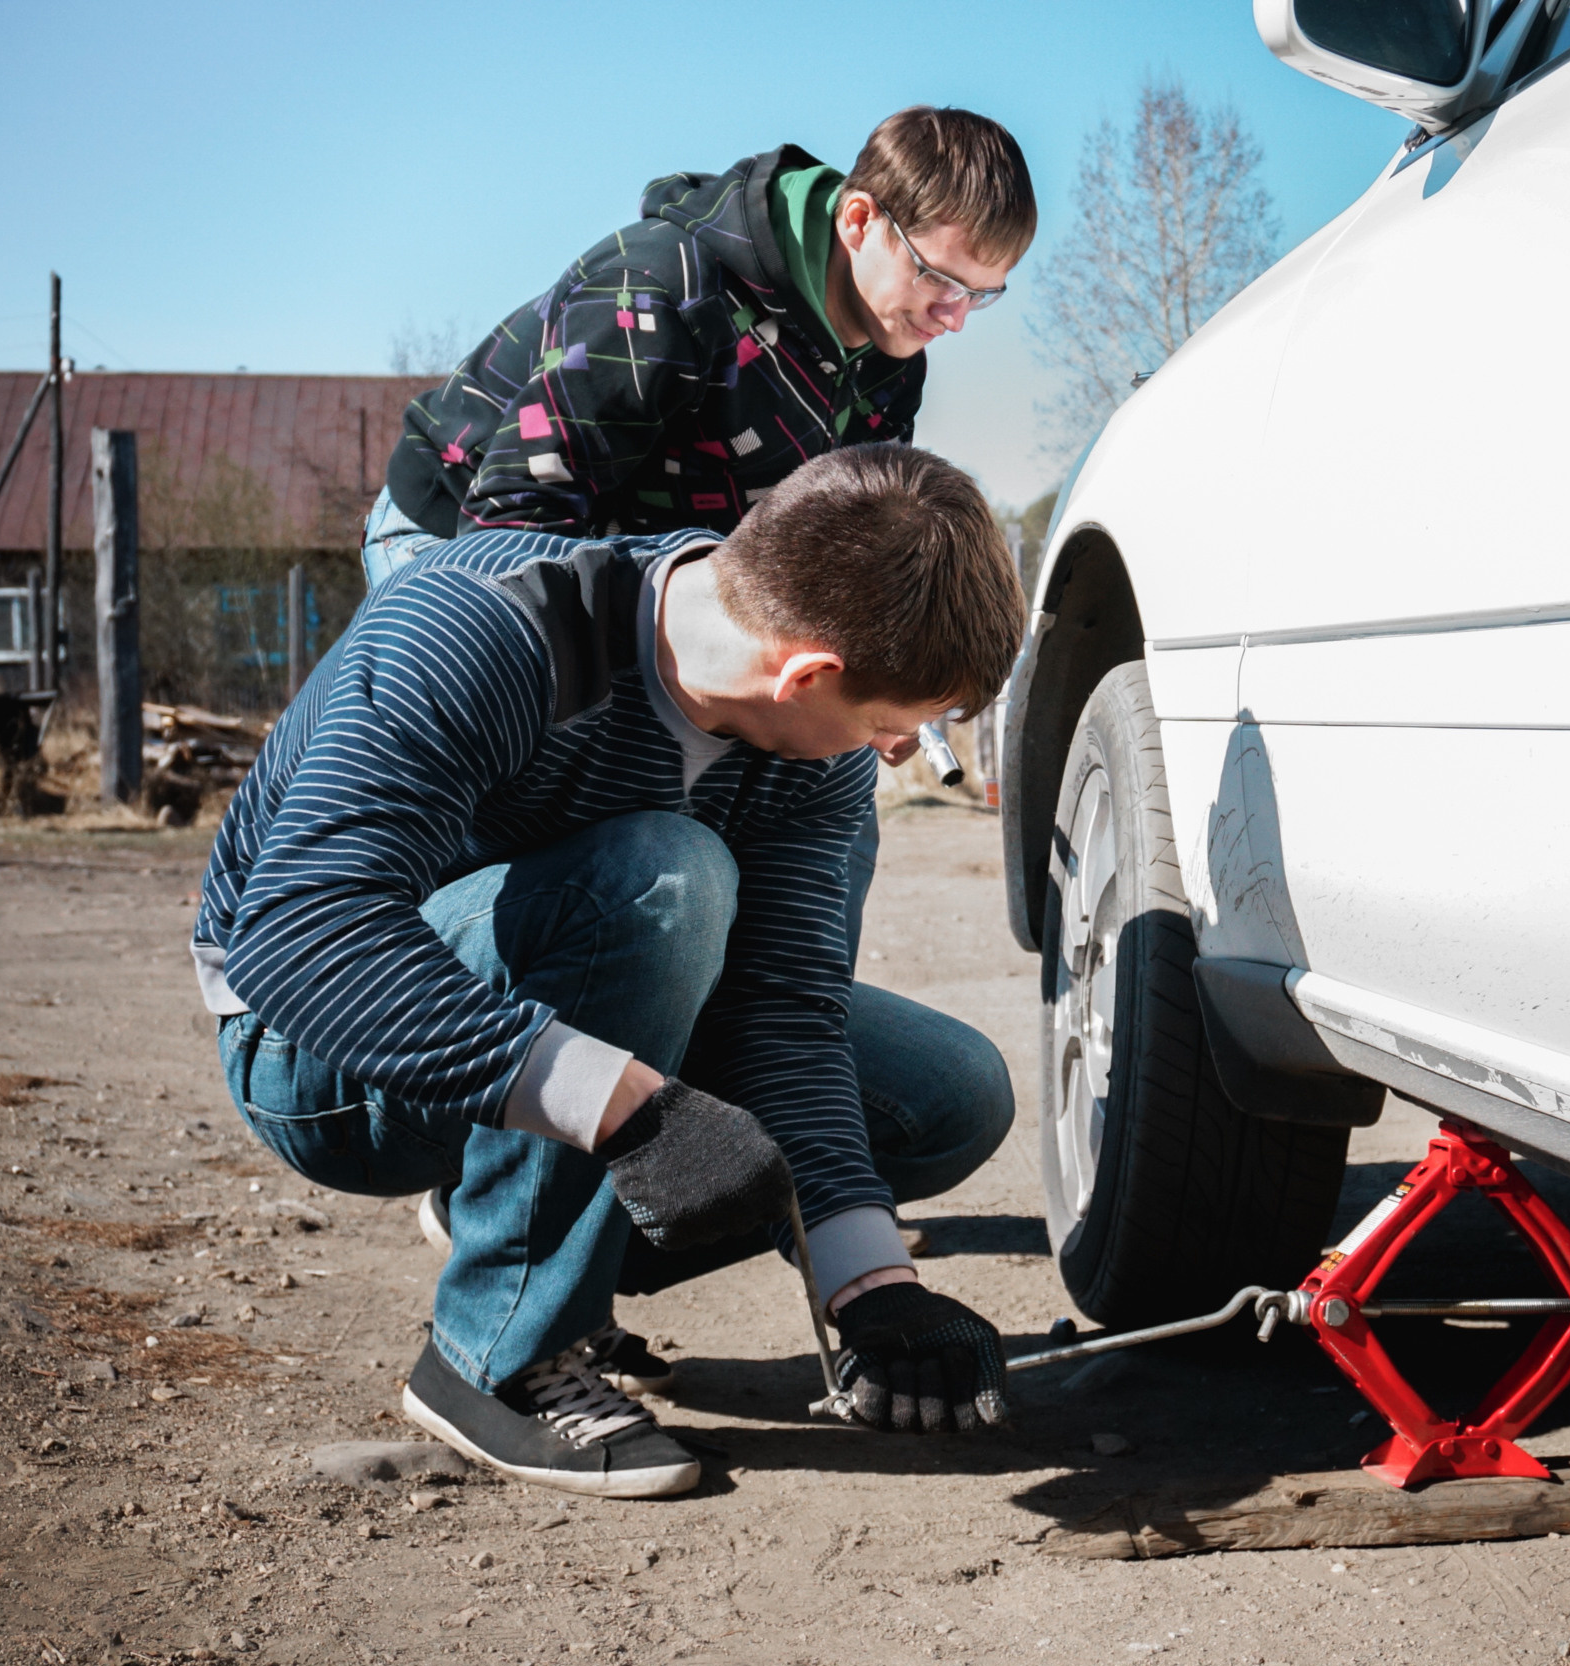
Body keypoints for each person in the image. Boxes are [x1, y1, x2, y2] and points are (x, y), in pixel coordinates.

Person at [195, 445, 1030, 1496]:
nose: (903, 750)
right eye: (888, 724)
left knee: (946, 1097)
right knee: (663, 878)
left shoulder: (805, 755)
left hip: (552, 1014)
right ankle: (496, 1359)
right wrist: (632, 1114)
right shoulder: (488, 626)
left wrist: (870, 1287)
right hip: (316, 1049)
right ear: (806, 674)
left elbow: (782, 1011)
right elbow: (298, 933)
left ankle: (512, 1204)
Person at [365, 106, 1039, 1332]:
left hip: (720, 599)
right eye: (943, 277)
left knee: (810, 828)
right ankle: (505, 1123)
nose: (953, 314)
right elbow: (525, 528)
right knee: (622, 858)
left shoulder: (892, 357)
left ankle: (673, 1115)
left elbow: (849, 542)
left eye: (983, 297)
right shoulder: (661, 284)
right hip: (489, 544)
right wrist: (724, 640)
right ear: (858, 219)